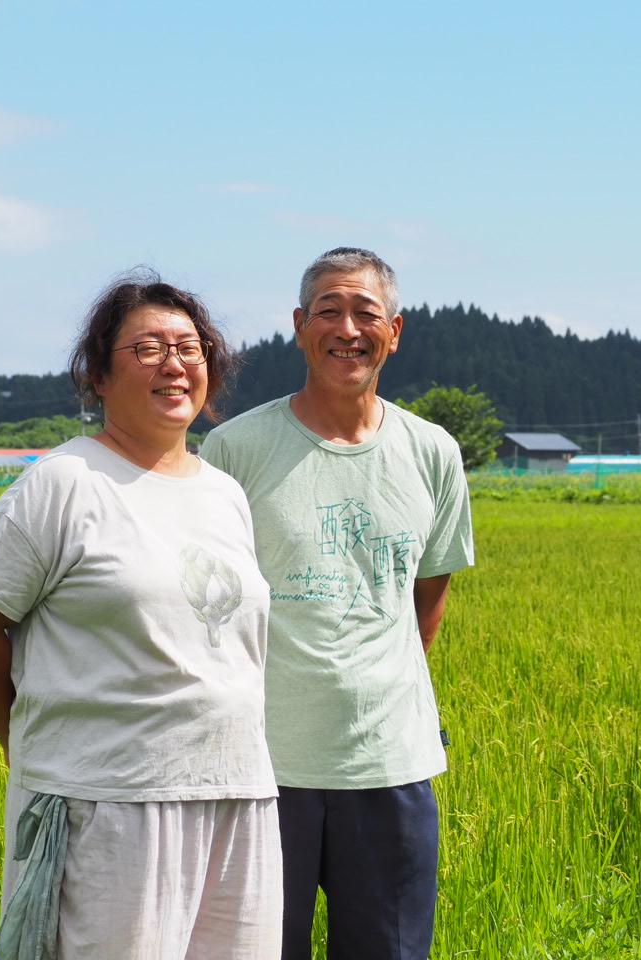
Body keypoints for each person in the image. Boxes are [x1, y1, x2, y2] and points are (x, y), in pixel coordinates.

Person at [0, 272, 282, 960]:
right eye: (148, 349)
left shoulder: (225, 494)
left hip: (237, 791)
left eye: (189, 348)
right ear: (98, 375)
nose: (174, 364)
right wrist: (22, 738)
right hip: (110, 800)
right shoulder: (65, 482)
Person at [200, 247, 475, 960]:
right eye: (329, 311)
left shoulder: (433, 452)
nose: (347, 329)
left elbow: (427, 593)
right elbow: (205, 601)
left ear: (395, 331)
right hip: (260, 766)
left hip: (390, 763)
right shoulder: (234, 449)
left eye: (365, 313)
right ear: (299, 326)